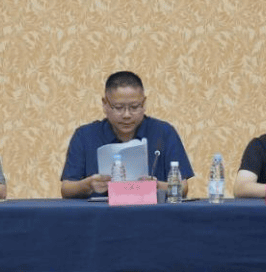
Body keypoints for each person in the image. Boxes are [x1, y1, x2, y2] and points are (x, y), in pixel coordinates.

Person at [61, 71, 193, 198]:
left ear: (144, 104)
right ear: (105, 104)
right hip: (100, 212)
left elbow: (183, 188)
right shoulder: (85, 135)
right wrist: (88, 185)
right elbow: (66, 189)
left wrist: (156, 185)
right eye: (118, 108)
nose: (126, 115)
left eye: (134, 107)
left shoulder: (164, 132)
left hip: (151, 211)